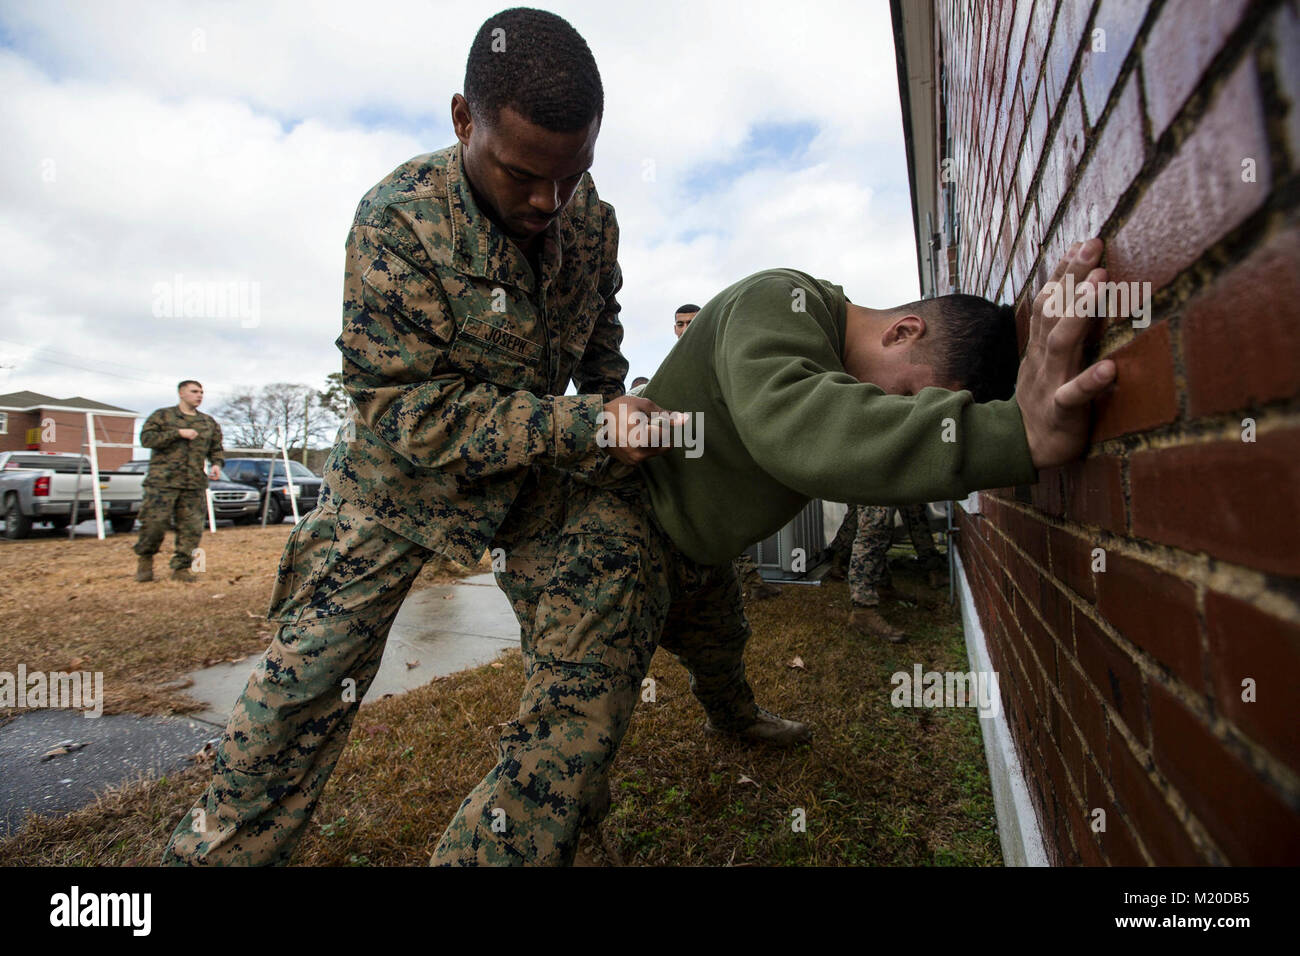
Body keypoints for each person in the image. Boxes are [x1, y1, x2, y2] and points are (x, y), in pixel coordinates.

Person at [162, 7, 799, 869]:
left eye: (573, 174)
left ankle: (575, 801)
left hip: (533, 475)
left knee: (639, 594)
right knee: (301, 693)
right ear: (464, 118)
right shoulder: (397, 222)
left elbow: (599, 324)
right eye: (523, 174)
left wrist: (616, 408)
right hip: (397, 486)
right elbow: (404, 409)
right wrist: (583, 422)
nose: (549, 201)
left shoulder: (588, 218)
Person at [435, 238, 1116, 864]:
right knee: (569, 741)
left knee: (721, 643)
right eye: (909, 398)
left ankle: (736, 721)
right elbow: (798, 428)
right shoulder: (779, 300)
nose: (898, 416)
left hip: (694, 551)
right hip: (612, 532)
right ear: (904, 331)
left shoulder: (812, 333)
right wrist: (1011, 436)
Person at [133, 380, 223, 583]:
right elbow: (146, 439)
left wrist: (216, 463)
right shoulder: (162, 416)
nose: (199, 395)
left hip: (193, 484)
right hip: (162, 483)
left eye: (201, 392)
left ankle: (181, 568)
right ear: (181, 393)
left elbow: (216, 447)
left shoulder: (208, 422)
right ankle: (145, 561)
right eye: (194, 391)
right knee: (154, 525)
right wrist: (177, 433)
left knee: (191, 528)